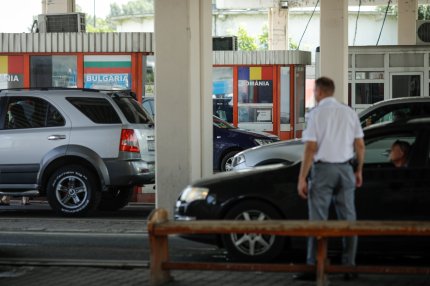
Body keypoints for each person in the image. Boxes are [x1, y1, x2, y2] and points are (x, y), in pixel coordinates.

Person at [295, 77, 365, 281]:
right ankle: (349, 267)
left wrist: (302, 178)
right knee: (349, 221)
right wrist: (358, 170)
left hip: (323, 171)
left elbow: (310, 148)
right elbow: (360, 145)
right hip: (345, 170)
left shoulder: (315, 114)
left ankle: (315, 266)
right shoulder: (349, 112)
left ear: (319, 91)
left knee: (318, 221)